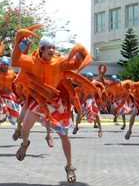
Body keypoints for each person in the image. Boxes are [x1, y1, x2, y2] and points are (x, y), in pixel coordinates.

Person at [11, 30, 93, 183]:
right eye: (48, 47)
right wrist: (17, 47)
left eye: (53, 47)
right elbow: (15, 62)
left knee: (65, 137)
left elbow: (76, 64)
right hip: (38, 100)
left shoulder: (60, 62)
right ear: (41, 49)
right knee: (25, 129)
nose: (52, 50)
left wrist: (82, 51)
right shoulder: (31, 61)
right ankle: (25, 143)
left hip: (56, 103)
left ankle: (69, 166)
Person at [0, 40, 20, 136]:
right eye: (4, 64)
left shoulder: (12, 73)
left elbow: (16, 83)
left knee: (16, 112)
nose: (5, 66)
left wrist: (19, 95)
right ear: (1, 65)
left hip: (9, 95)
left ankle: (19, 129)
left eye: (7, 65)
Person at [73, 72, 103, 137]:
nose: (89, 78)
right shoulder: (83, 82)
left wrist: (101, 92)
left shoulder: (95, 83)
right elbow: (74, 81)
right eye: (88, 77)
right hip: (84, 100)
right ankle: (76, 127)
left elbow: (102, 86)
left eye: (90, 77)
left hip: (92, 100)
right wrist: (75, 75)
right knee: (79, 113)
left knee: (96, 114)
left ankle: (100, 130)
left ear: (92, 77)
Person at [123, 74, 139, 139]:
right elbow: (128, 83)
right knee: (134, 113)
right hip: (138, 103)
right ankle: (129, 130)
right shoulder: (138, 84)